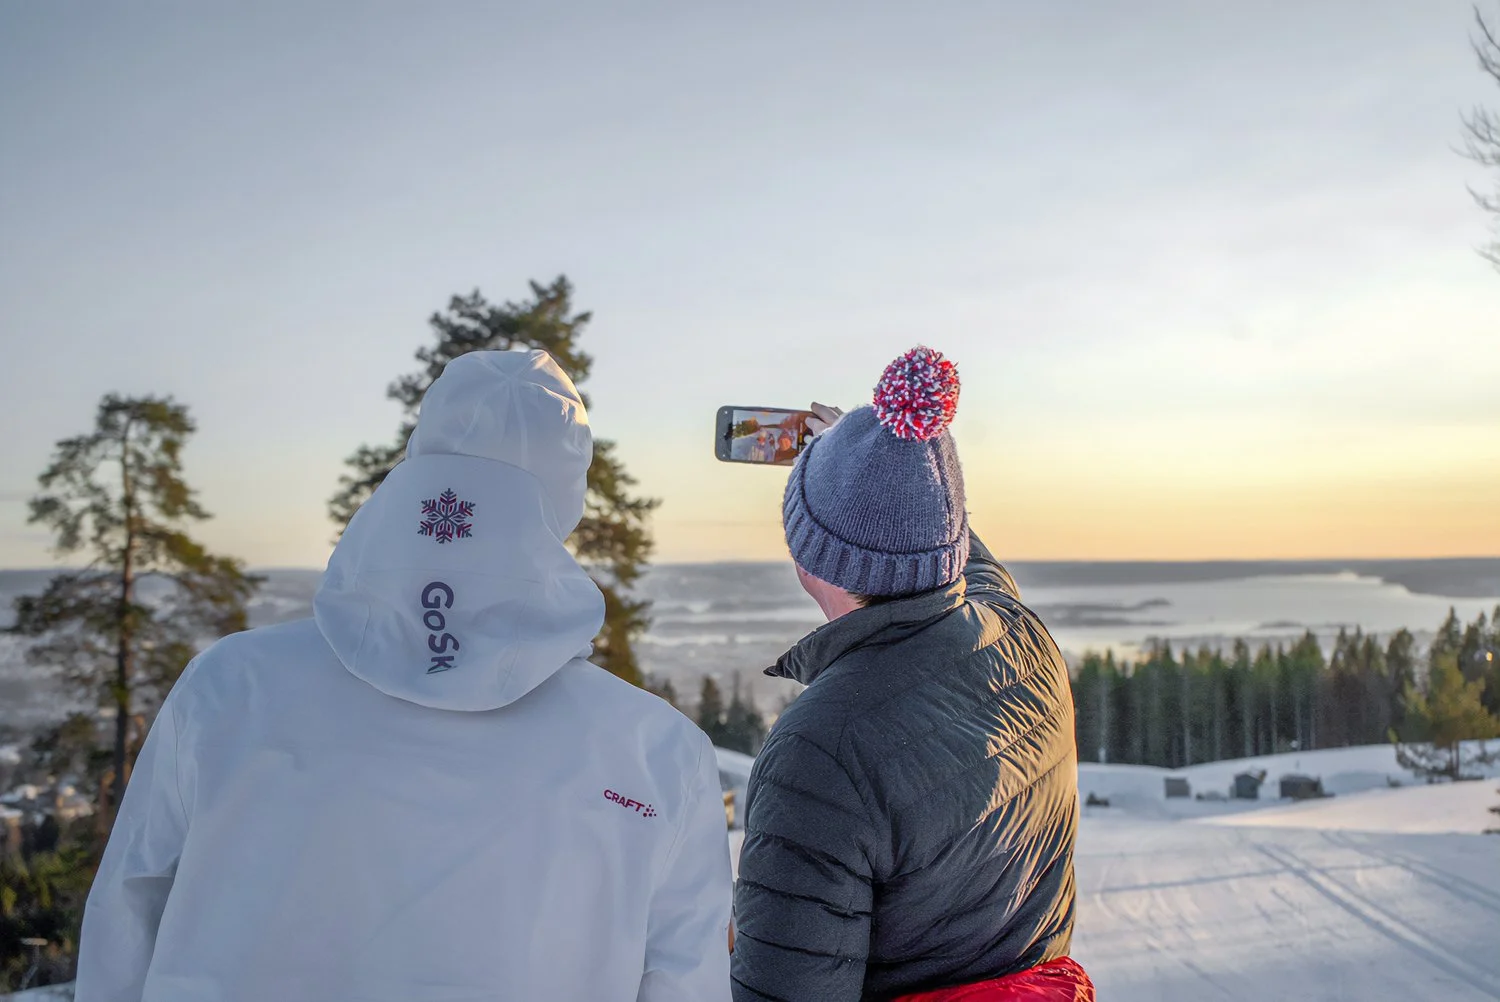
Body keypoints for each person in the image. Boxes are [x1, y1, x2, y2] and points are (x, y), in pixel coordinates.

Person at [75, 350, 733, 1002]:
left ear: (418, 461)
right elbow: (688, 984)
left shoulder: (228, 688)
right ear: (568, 498)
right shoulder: (657, 753)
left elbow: (122, 925)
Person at [730, 347, 1090, 1002]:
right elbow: (964, 566)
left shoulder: (818, 752)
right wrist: (888, 463)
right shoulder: (1024, 641)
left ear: (809, 557)